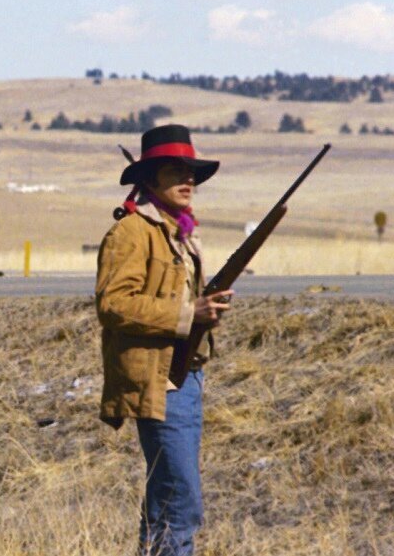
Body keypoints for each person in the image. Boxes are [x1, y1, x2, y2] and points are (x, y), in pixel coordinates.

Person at [95, 124, 234, 556]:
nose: (188, 180)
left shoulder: (179, 233)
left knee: (168, 497)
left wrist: (204, 309)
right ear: (151, 179)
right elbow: (114, 304)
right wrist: (188, 314)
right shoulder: (131, 233)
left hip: (186, 378)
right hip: (159, 384)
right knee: (180, 500)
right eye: (177, 172)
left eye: (191, 172)